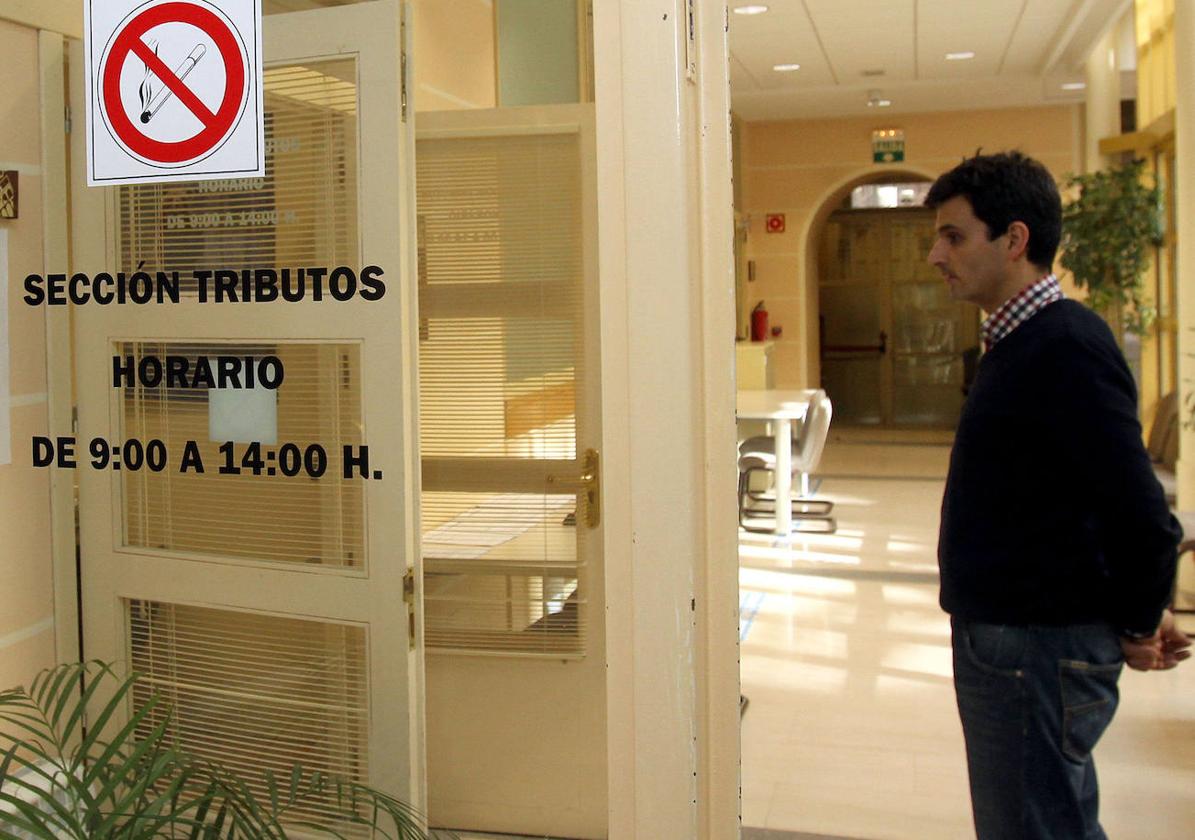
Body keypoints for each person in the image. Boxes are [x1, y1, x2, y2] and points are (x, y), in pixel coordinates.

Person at [925, 150, 1191, 840]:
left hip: (1032, 649)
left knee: (1034, 827)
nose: (934, 255)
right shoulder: (1020, 341)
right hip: (1020, 640)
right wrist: (1135, 607)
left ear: (1013, 240)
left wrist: (1135, 619)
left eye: (952, 235)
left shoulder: (1062, 345)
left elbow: (1139, 511)